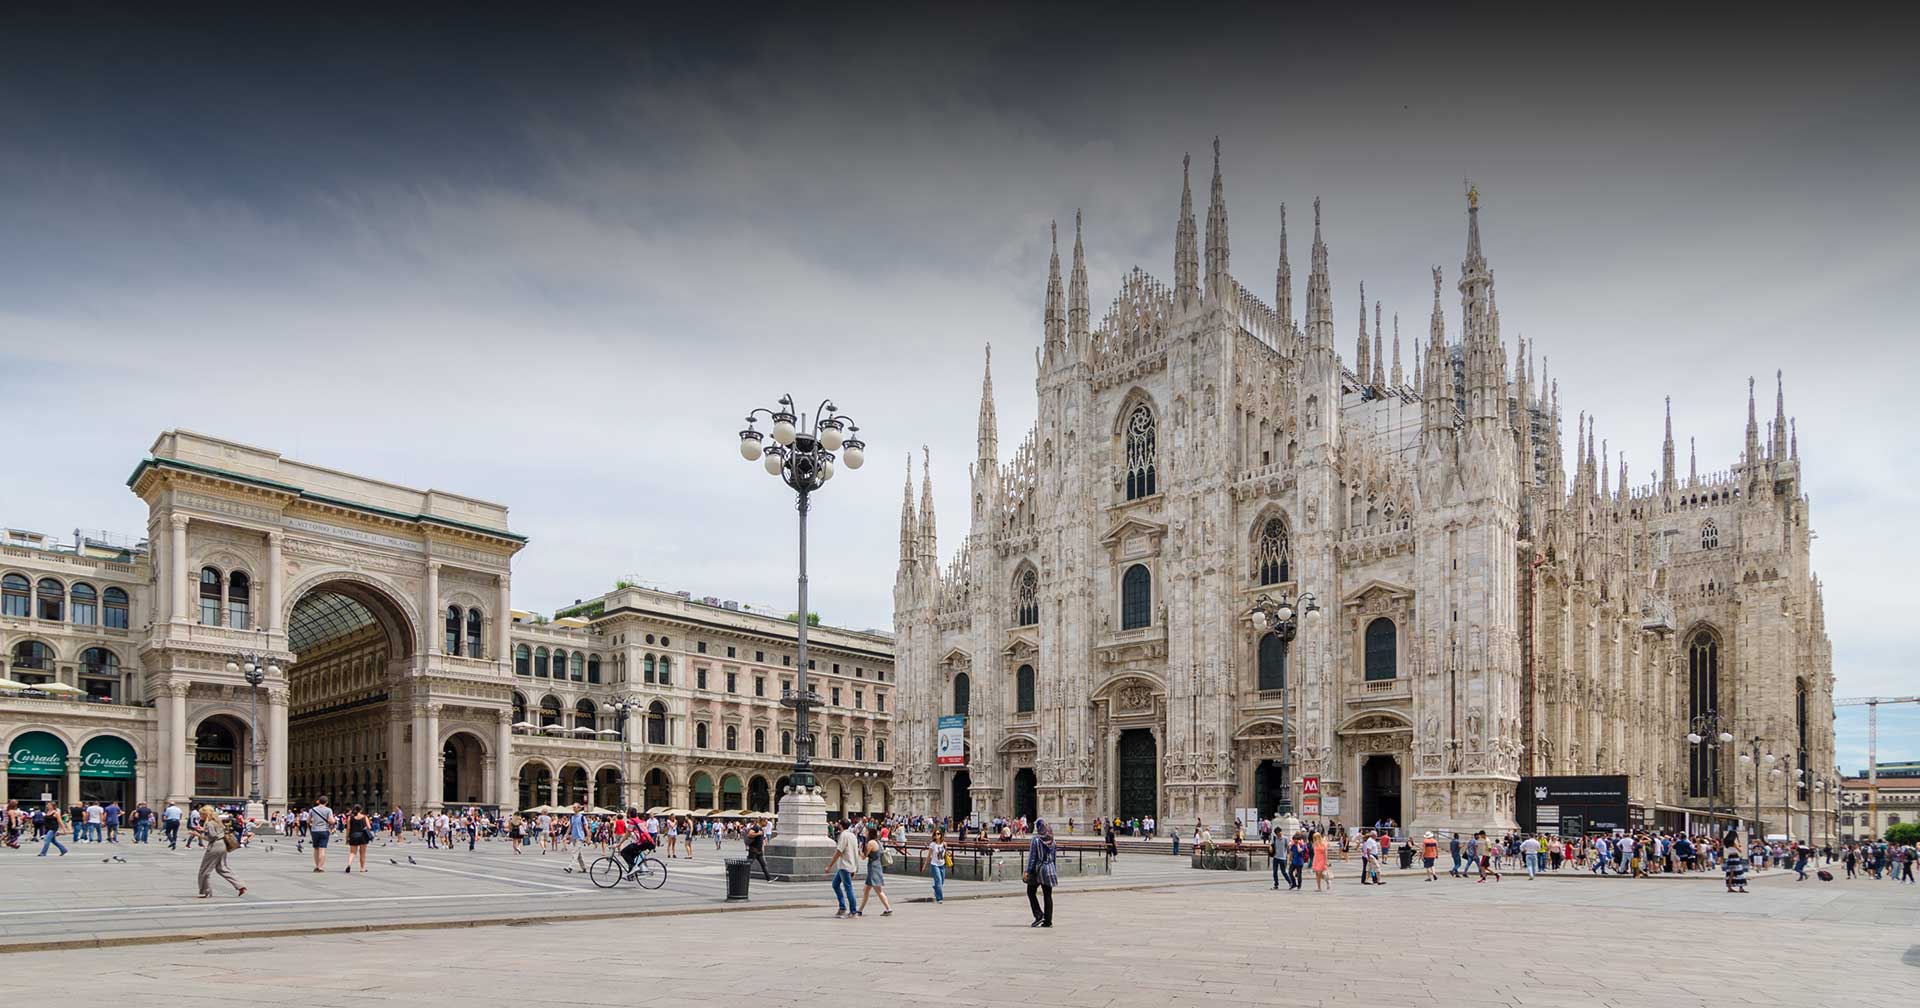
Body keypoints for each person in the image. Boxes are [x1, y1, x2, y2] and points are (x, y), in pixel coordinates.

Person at [193, 806, 246, 898]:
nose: (200, 816)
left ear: (205, 814)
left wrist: (198, 834)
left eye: (201, 814)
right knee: (222, 868)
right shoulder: (217, 822)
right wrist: (203, 830)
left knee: (204, 871)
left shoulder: (209, 823)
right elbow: (217, 833)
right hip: (223, 845)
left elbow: (211, 837)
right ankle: (240, 885)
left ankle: (206, 891)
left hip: (215, 847)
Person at [825, 819, 862, 918]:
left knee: (848, 888)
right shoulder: (853, 835)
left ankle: (853, 911)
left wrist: (830, 865)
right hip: (849, 865)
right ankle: (842, 907)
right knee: (835, 884)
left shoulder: (843, 835)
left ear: (841, 826)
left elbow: (839, 851)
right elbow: (856, 851)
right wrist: (855, 867)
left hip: (844, 866)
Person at [1025, 818, 1057, 927]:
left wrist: (1028, 871)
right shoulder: (1052, 840)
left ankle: (1039, 915)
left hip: (1039, 869)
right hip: (1050, 868)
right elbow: (1054, 858)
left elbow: (1033, 858)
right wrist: (1054, 870)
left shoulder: (1036, 840)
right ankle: (1048, 921)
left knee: (1030, 891)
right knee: (1048, 895)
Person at [857, 824, 894, 917]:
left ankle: (888, 908)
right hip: (875, 866)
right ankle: (860, 910)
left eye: (866, 832)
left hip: (873, 868)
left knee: (878, 890)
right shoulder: (877, 842)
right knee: (866, 890)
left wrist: (859, 850)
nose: (865, 833)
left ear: (870, 834)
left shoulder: (871, 843)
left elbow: (863, 856)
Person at [307, 796, 335, 872]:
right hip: (324, 831)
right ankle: (320, 867)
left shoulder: (312, 810)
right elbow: (332, 821)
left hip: (315, 831)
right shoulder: (328, 810)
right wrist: (333, 821)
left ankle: (316, 866)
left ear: (319, 801)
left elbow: (308, 821)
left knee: (316, 848)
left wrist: (313, 824)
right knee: (322, 849)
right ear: (326, 802)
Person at [344, 805, 374, 873]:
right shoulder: (364, 817)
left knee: (352, 852)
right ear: (361, 810)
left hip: (353, 836)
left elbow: (348, 829)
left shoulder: (350, 817)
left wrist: (347, 838)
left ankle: (349, 864)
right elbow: (369, 827)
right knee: (362, 853)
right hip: (363, 836)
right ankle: (362, 868)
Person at [928, 828, 949, 903]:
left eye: (938, 834)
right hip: (934, 865)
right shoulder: (932, 845)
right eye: (935, 834)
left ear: (941, 835)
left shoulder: (944, 844)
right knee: (939, 881)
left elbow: (945, 853)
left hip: (942, 864)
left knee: (941, 882)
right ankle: (939, 898)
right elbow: (928, 856)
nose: (937, 835)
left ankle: (936, 888)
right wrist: (924, 865)